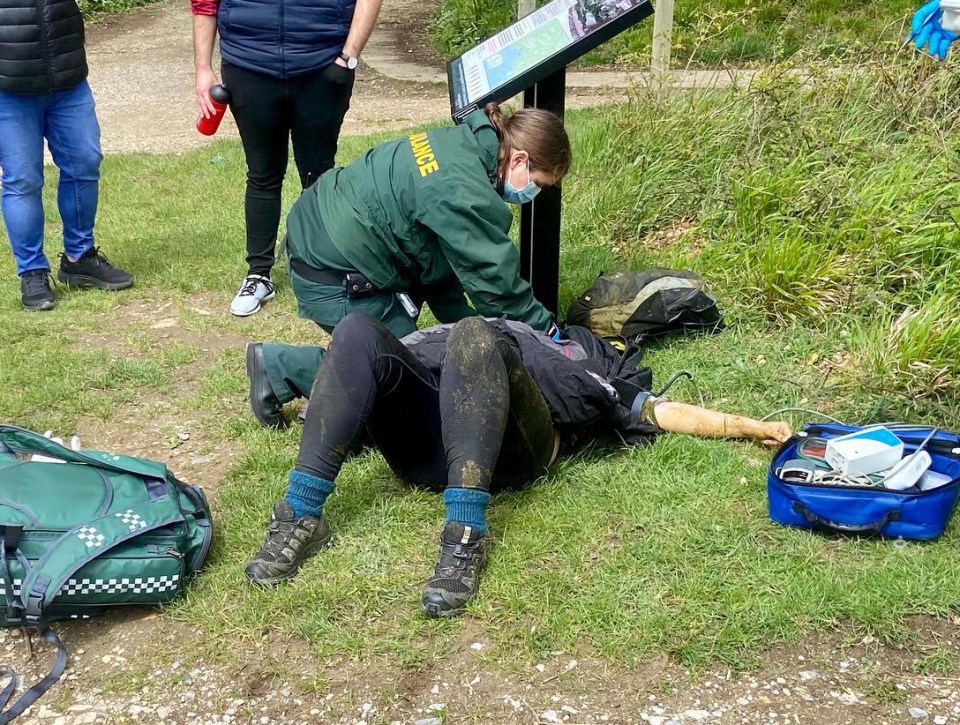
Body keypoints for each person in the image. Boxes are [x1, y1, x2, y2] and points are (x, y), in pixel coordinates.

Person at [243, 314, 792, 618]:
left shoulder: (567, 359)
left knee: (478, 336)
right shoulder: (439, 333)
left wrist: (750, 426)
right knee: (358, 328)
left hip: (511, 451)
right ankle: (299, 514)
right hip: (424, 442)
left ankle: (463, 535)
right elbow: (353, 381)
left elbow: (654, 409)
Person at [246, 102, 572, 428]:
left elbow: (439, 269)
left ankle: (334, 387)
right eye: (539, 184)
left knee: (433, 362)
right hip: (330, 274)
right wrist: (546, 333)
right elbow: (497, 287)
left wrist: (473, 334)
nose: (535, 192)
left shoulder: (463, 146)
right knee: (411, 380)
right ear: (519, 160)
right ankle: (280, 367)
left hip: (319, 229)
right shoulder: (465, 190)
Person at [191, 0, 382, 316]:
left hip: (322, 63)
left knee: (318, 174)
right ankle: (258, 274)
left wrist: (349, 56)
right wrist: (202, 69)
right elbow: (204, 3)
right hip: (248, 62)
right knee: (263, 173)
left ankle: (322, 269)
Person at [0, 0, 134, 312]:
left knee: (85, 161)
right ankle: (32, 271)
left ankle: (79, 257)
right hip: (9, 85)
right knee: (23, 179)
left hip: (67, 75)